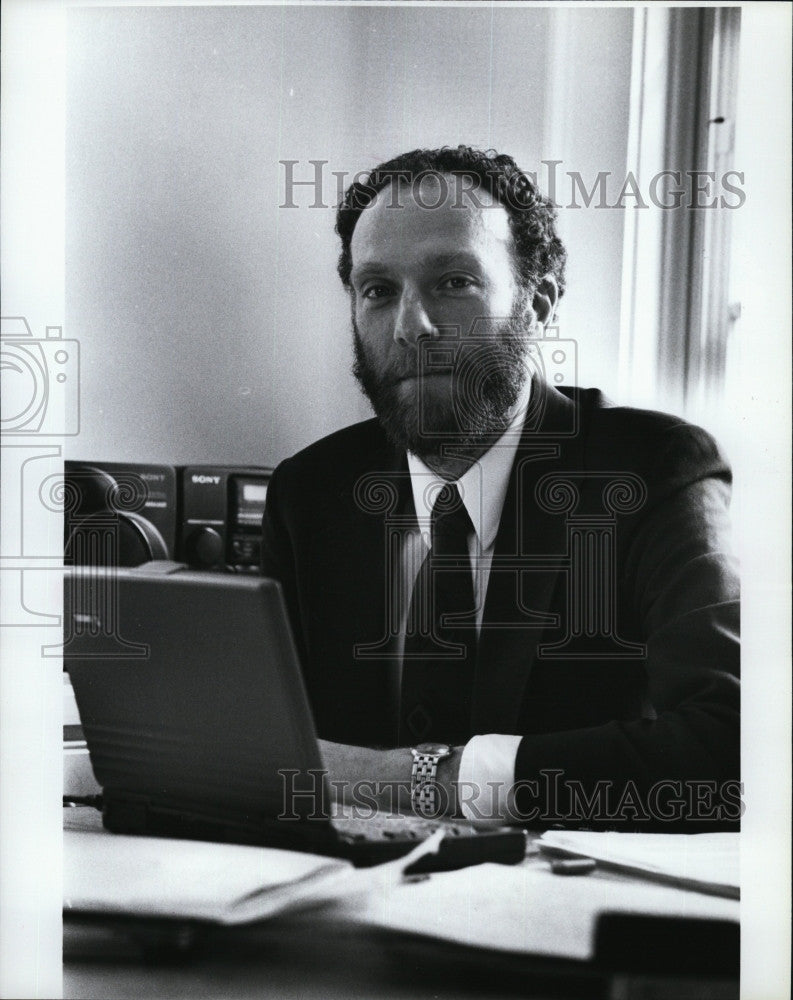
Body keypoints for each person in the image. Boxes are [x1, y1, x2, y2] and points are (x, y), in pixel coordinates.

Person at [260, 146, 740, 829]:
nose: (410, 326)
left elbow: (734, 751)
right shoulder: (309, 493)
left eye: (453, 282)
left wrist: (422, 778)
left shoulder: (652, 472)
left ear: (537, 299)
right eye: (377, 290)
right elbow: (257, 749)